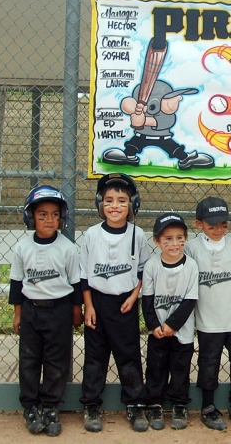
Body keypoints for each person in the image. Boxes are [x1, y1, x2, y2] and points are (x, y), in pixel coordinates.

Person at [9, 186, 83, 436]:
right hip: (31, 310)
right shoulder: (22, 248)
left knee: (56, 361)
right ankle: (30, 406)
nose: (49, 220)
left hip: (59, 310)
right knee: (29, 360)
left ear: (61, 217)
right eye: (42, 215)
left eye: (54, 214)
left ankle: (50, 405)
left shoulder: (67, 248)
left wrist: (76, 311)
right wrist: (18, 314)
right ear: (30, 217)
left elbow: (75, 283)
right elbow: (17, 284)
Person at [80, 173, 151, 433]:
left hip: (125, 304)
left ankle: (135, 404)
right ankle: (91, 404)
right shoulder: (91, 235)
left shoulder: (138, 235)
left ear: (133, 205)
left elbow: (143, 271)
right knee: (95, 358)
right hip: (97, 303)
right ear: (100, 203)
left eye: (122, 200)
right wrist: (88, 305)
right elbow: (84, 275)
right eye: (108, 200)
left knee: (129, 356)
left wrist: (134, 296)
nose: (115, 206)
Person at [184, 196, 231, 432]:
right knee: (208, 364)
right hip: (207, 321)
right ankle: (208, 407)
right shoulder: (192, 247)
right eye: (211, 225)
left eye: (223, 224)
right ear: (199, 224)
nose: (218, 229)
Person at [142, 213, 198, 431]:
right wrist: (154, 325)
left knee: (180, 368)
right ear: (157, 241)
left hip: (181, 330)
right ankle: (154, 403)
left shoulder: (191, 266)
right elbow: (147, 299)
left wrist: (172, 325)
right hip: (157, 330)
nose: (175, 243)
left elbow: (190, 300)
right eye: (168, 239)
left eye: (179, 238)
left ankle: (179, 404)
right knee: (156, 368)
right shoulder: (152, 266)